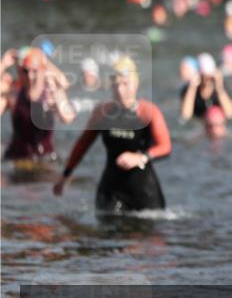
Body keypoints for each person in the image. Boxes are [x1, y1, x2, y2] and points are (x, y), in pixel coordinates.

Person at [54, 57, 171, 213]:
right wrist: (65, 175)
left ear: (135, 84)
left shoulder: (147, 112)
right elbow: (83, 144)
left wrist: (140, 157)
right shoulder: (103, 113)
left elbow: (165, 147)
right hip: (111, 190)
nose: (120, 90)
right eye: (116, 84)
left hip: (143, 191)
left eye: (125, 84)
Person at [3, 49, 76, 162]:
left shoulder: (52, 92)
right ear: (19, 71)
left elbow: (68, 117)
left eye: (35, 71)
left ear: (43, 70)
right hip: (15, 158)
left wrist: (55, 94)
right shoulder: (14, 93)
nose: (31, 76)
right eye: (26, 71)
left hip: (44, 159)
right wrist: (3, 64)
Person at [180, 53, 232, 121]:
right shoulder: (188, 89)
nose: (207, 81)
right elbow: (185, 116)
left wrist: (219, 88)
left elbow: (230, 114)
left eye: (210, 78)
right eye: (204, 77)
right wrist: (192, 88)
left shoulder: (221, 87)